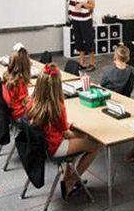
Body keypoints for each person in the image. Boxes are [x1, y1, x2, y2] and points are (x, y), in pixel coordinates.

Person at [28, 63, 100, 199]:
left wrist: (69, 128)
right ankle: (71, 181)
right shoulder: (57, 107)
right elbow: (66, 133)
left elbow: (55, 125)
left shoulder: (34, 101)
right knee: (94, 145)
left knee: (78, 141)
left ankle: (67, 177)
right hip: (55, 146)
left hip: (43, 145)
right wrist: (81, 134)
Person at [39, 0, 97, 71]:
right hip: (75, 20)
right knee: (79, 42)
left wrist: (82, 4)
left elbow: (92, 5)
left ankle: (92, 63)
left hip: (85, 21)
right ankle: (82, 63)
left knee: (89, 42)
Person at [1, 43, 32, 122]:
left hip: (12, 112)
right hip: (20, 114)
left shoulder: (7, 77)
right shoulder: (20, 82)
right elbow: (25, 103)